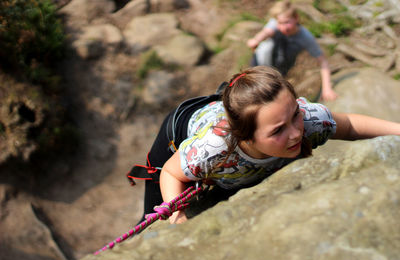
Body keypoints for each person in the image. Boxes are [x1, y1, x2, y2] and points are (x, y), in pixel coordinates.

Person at [131, 66, 400, 225]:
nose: (296, 133)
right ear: (246, 137)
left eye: (294, 114)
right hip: (178, 136)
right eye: (278, 130)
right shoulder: (214, 147)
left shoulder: (307, 121)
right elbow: (171, 172)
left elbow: (350, 125)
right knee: (153, 220)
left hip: (238, 142)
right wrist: (177, 217)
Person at [246, 0, 338, 101]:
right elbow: (266, 32)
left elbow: (323, 61)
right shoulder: (276, 22)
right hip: (262, 63)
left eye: (287, 22)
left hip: (280, 69)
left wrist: (327, 88)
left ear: (296, 18)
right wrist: (256, 40)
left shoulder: (305, 37)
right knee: (265, 48)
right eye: (280, 23)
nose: (283, 27)